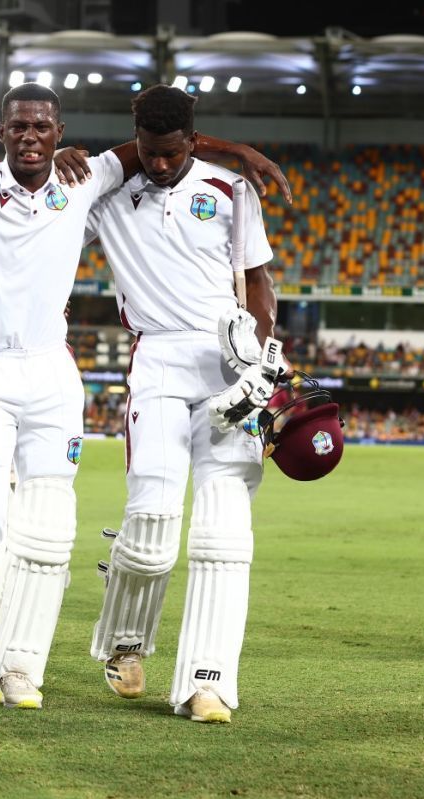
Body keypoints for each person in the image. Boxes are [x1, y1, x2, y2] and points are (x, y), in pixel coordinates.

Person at [0, 82, 287, 708]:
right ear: (2, 130)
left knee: (52, 532)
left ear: (61, 131)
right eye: (19, 126)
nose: (31, 136)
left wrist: (241, 153)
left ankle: (21, 667)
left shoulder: (92, 181)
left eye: (43, 126)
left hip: (57, 374)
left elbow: (154, 146)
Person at [79, 85, 280, 724]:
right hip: (158, 359)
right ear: (135, 140)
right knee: (156, 519)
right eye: (149, 152)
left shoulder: (231, 188)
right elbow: (46, 214)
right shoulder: (107, 194)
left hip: (230, 363)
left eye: (172, 153)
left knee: (224, 533)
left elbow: (257, 281)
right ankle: (125, 642)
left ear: (193, 141)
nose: (160, 164)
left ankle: (208, 683)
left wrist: (264, 363)